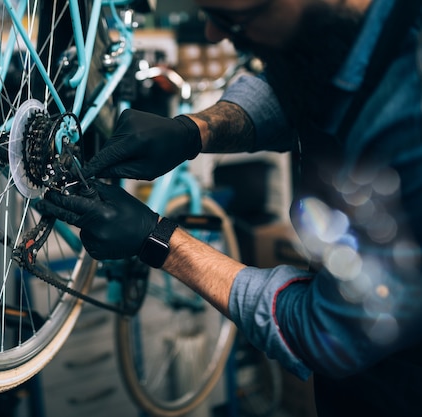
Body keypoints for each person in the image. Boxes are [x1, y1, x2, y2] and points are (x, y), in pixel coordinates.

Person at [38, 0, 422, 415]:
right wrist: (195, 130)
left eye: (232, 21)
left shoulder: (409, 112)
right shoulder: (350, 27)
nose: (212, 36)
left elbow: (326, 330)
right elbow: (300, 82)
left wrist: (160, 240)